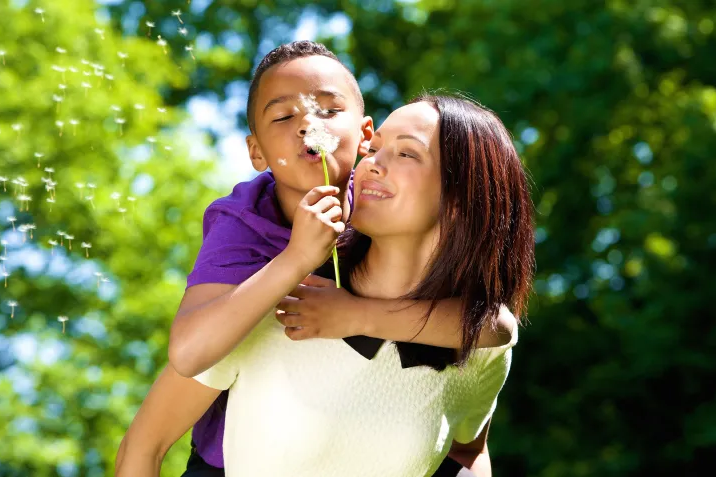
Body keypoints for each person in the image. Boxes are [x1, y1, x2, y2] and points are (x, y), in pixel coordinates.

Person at [118, 41, 514, 476]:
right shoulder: (258, 265)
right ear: (257, 153)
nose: (308, 126)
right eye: (284, 116)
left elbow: (494, 332)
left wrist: (358, 315)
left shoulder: (469, 339)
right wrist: (295, 260)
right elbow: (183, 367)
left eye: (405, 153)